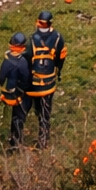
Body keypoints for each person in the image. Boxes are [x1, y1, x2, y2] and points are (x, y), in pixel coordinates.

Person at [27, 10, 67, 148]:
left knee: (37, 105)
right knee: (46, 110)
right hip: (49, 82)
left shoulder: (31, 39)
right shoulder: (58, 38)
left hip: (34, 83)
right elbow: (61, 57)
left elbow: (27, 59)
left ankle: (37, 116)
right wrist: (57, 70)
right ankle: (43, 139)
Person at [0, 32, 32, 149]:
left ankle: (13, 138)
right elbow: (26, 78)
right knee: (19, 116)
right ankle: (16, 142)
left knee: (14, 116)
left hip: (8, 93)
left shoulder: (6, 59)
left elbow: (0, 78)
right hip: (19, 94)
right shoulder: (22, 62)